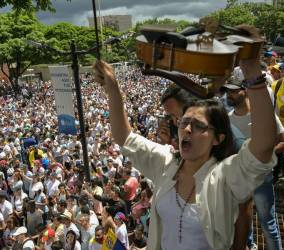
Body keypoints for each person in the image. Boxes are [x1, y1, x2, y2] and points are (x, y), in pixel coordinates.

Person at [93, 57, 277, 250]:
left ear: (218, 138)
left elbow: (263, 146)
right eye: (183, 122)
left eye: (198, 126)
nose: (187, 129)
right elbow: (124, 137)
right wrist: (112, 87)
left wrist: (253, 75)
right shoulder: (166, 161)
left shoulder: (226, 174)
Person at [222, 77, 284, 250]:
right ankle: (250, 245)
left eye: (234, 91)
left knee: (267, 222)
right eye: (228, 91)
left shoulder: (263, 116)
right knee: (241, 218)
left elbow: (282, 140)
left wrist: (263, 155)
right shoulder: (227, 120)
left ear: (245, 91)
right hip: (238, 179)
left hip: (261, 177)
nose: (229, 95)